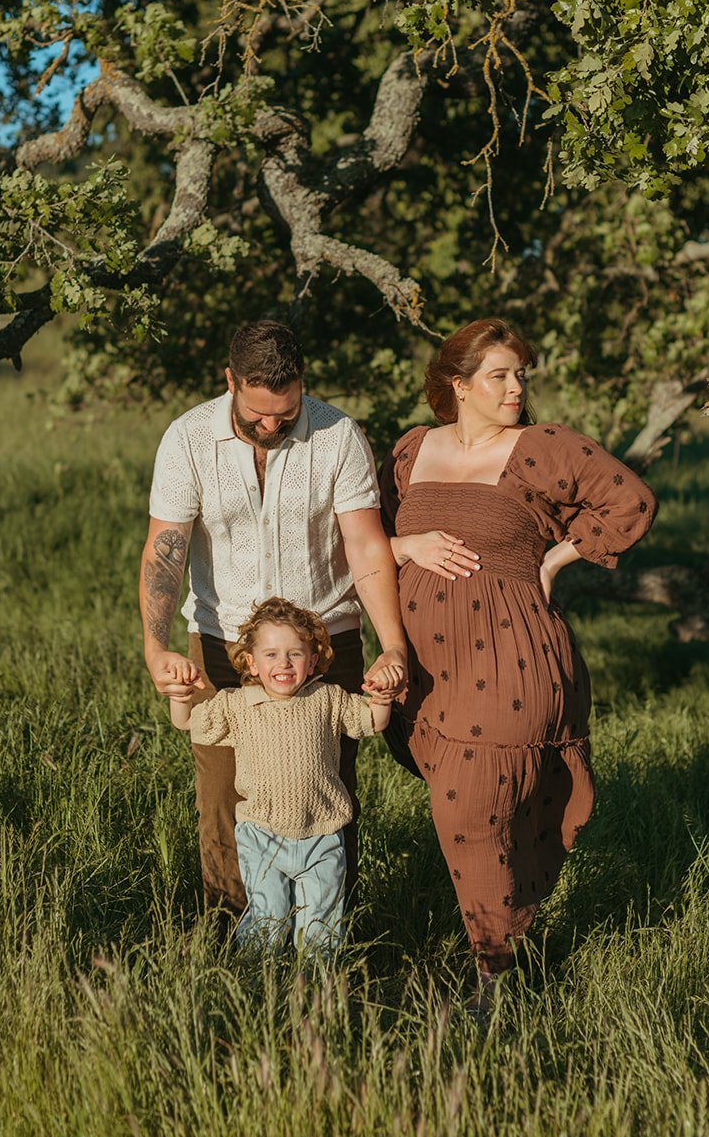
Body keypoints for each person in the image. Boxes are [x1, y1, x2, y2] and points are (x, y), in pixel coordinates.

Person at [378, 317, 657, 1011]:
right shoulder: (413, 451)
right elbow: (369, 537)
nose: (515, 387)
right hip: (424, 672)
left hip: (510, 660)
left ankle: (494, 981)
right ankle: (509, 939)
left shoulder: (542, 447)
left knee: (469, 815)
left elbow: (631, 501)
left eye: (521, 374)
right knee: (487, 817)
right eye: (500, 375)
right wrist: (406, 547)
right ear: (456, 385)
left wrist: (556, 559)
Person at [140, 318, 407, 917]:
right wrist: (156, 647)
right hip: (223, 642)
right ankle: (234, 936)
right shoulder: (187, 439)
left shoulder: (338, 435)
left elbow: (366, 546)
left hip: (324, 644)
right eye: (256, 414)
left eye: (284, 415)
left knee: (326, 794)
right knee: (223, 796)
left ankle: (326, 941)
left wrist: (392, 644)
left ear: (302, 385)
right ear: (229, 380)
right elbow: (166, 549)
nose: (270, 426)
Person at [168, 597, 394, 956]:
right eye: (270, 654)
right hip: (262, 836)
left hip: (322, 834)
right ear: (251, 663)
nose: (283, 663)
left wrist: (383, 697)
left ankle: (320, 994)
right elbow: (186, 723)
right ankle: (259, 984)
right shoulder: (237, 704)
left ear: (313, 660)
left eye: (295, 654)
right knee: (267, 919)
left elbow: (372, 722)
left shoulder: (328, 699)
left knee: (322, 927)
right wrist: (179, 695)